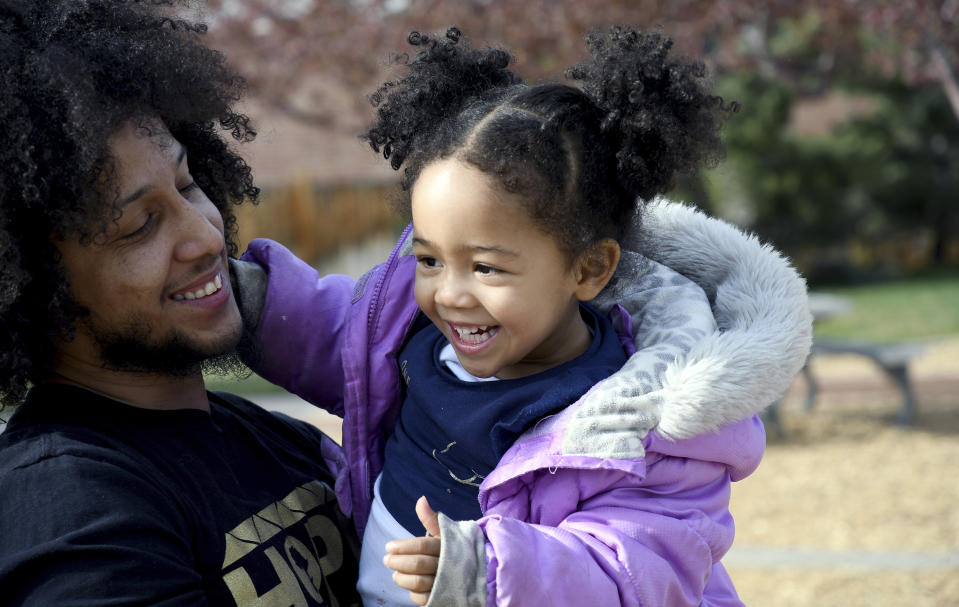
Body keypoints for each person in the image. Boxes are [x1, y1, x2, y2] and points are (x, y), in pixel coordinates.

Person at [235, 27, 813, 607]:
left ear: (588, 269)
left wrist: (482, 572)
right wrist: (247, 299)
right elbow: (342, 337)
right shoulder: (415, 335)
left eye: (486, 268)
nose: (450, 294)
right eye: (430, 258)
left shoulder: (641, 428)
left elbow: (633, 571)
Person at [0, 2, 361, 605]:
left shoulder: (271, 439)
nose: (204, 235)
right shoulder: (72, 517)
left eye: (189, 184)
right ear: (37, 284)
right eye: (140, 226)